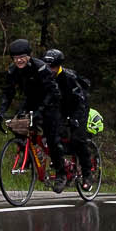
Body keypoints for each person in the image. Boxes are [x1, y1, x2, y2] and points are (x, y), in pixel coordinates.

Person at [39, 48, 96, 189]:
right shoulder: (44, 76)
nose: (50, 69)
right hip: (60, 108)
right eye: (47, 66)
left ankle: (87, 173)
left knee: (78, 139)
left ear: (59, 66)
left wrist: (75, 118)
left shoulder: (69, 77)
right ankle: (62, 169)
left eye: (53, 66)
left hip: (78, 107)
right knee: (53, 136)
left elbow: (80, 100)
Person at [0, 39, 49, 174]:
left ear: (29, 56)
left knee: (52, 135)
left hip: (49, 100)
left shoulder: (40, 67)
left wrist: (41, 111)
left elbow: (52, 92)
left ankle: (60, 172)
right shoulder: (13, 70)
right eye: (15, 58)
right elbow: (8, 92)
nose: (18, 60)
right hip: (30, 100)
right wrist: (2, 111)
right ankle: (29, 154)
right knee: (17, 125)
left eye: (22, 57)